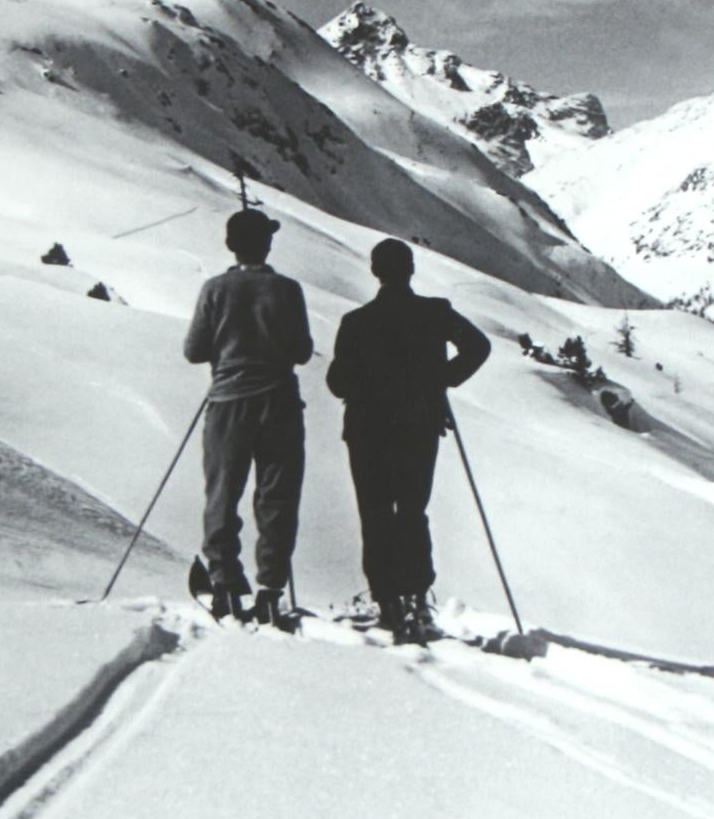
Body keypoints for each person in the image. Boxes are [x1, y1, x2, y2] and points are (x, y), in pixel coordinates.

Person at [325, 237, 490, 644]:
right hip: (419, 423)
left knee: (376, 512)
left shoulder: (356, 322)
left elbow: (337, 382)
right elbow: (478, 346)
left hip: (367, 429)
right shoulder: (434, 313)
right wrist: (441, 380)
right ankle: (417, 595)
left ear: (375, 272)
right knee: (413, 509)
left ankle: (387, 602)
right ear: (411, 269)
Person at [181, 207, 315, 629]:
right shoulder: (287, 289)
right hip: (279, 402)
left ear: (229, 245)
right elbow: (301, 352)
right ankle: (271, 590)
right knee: (277, 498)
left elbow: (194, 350)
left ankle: (224, 584)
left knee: (223, 494)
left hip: (228, 401)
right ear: (267, 243)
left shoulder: (214, 289)